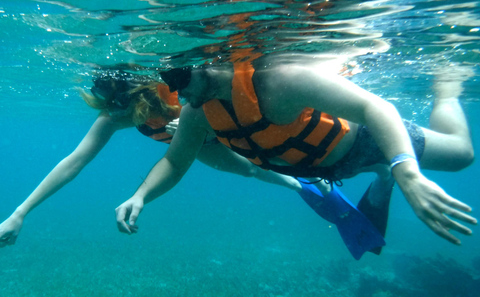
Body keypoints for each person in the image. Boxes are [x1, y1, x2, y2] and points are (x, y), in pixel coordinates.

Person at [0, 69, 384, 259]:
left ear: (140, 92)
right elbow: (74, 162)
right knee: (245, 169)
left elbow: (235, 102)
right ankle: (305, 189)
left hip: (225, 131)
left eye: (121, 105)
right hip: (195, 145)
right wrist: (20, 212)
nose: (115, 115)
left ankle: (321, 178)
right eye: (110, 108)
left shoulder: (179, 88)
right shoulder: (116, 116)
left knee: (259, 160)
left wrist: (194, 126)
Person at [114, 57, 476, 250]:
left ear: (205, 61)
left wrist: (407, 171)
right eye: (166, 82)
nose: (176, 95)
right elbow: (175, 162)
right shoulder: (198, 111)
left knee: (462, 155)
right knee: (389, 170)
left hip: (370, 142)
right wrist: (140, 195)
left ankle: (446, 88)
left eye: (176, 79)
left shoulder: (280, 80)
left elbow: (374, 108)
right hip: (325, 168)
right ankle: (384, 175)